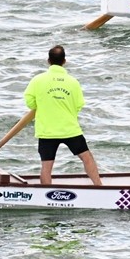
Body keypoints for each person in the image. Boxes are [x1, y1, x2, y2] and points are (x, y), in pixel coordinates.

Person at [24, 45, 102, 186]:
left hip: (47, 130)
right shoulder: (73, 82)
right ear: (64, 61)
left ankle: (46, 195)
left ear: (48, 61)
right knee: (87, 157)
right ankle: (99, 186)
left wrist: (45, 105)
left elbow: (30, 102)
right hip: (69, 129)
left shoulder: (37, 80)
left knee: (46, 166)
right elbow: (79, 104)